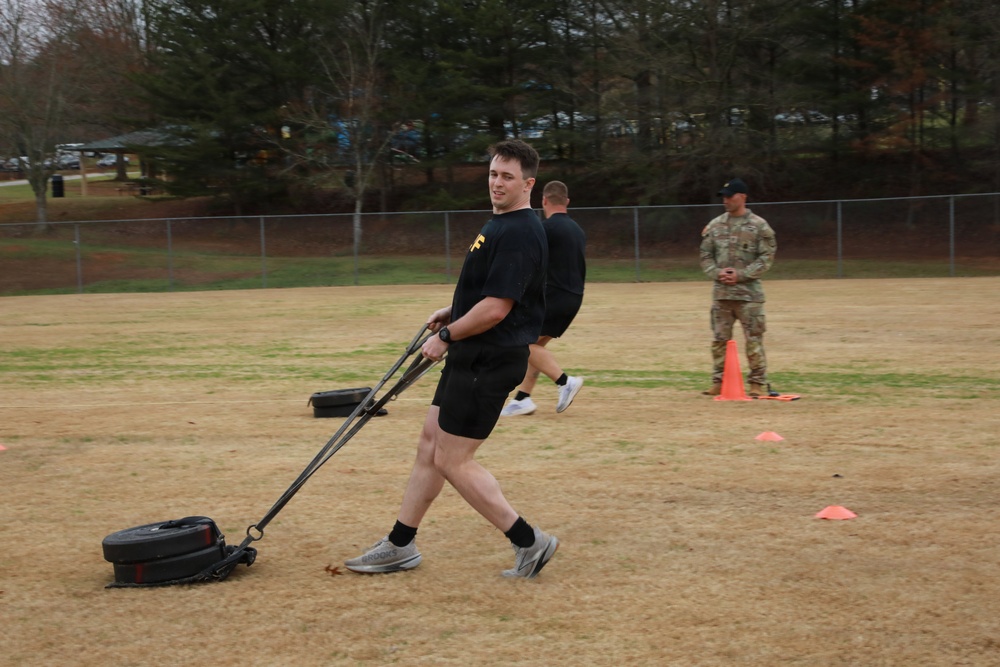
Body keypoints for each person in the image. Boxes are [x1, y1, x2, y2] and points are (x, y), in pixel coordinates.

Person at [344, 139, 558, 579]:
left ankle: (529, 541)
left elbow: (498, 308)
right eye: (493, 174)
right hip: (472, 353)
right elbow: (488, 294)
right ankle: (400, 545)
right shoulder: (498, 224)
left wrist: (447, 333)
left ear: (529, 184)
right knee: (430, 446)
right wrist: (454, 311)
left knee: (452, 459)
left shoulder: (519, 231)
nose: (496, 183)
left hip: (490, 360)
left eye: (507, 177)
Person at [501, 180, 586, 416]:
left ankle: (564, 382)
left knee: (521, 342)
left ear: (544, 201)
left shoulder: (545, 229)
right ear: (566, 202)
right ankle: (522, 399)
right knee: (534, 347)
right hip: (573, 298)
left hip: (554, 296)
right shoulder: (577, 229)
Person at [699, 177, 777, 397]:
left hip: (749, 295)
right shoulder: (715, 225)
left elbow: (767, 257)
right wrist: (717, 272)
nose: (725, 200)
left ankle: (757, 382)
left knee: (754, 340)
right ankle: (719, 381)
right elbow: (705, 255)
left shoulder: (759, 226)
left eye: (730, 196)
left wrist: (742, 275)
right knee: (719, 340)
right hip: (722, 294)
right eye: (723, 197)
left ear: (742, 197)